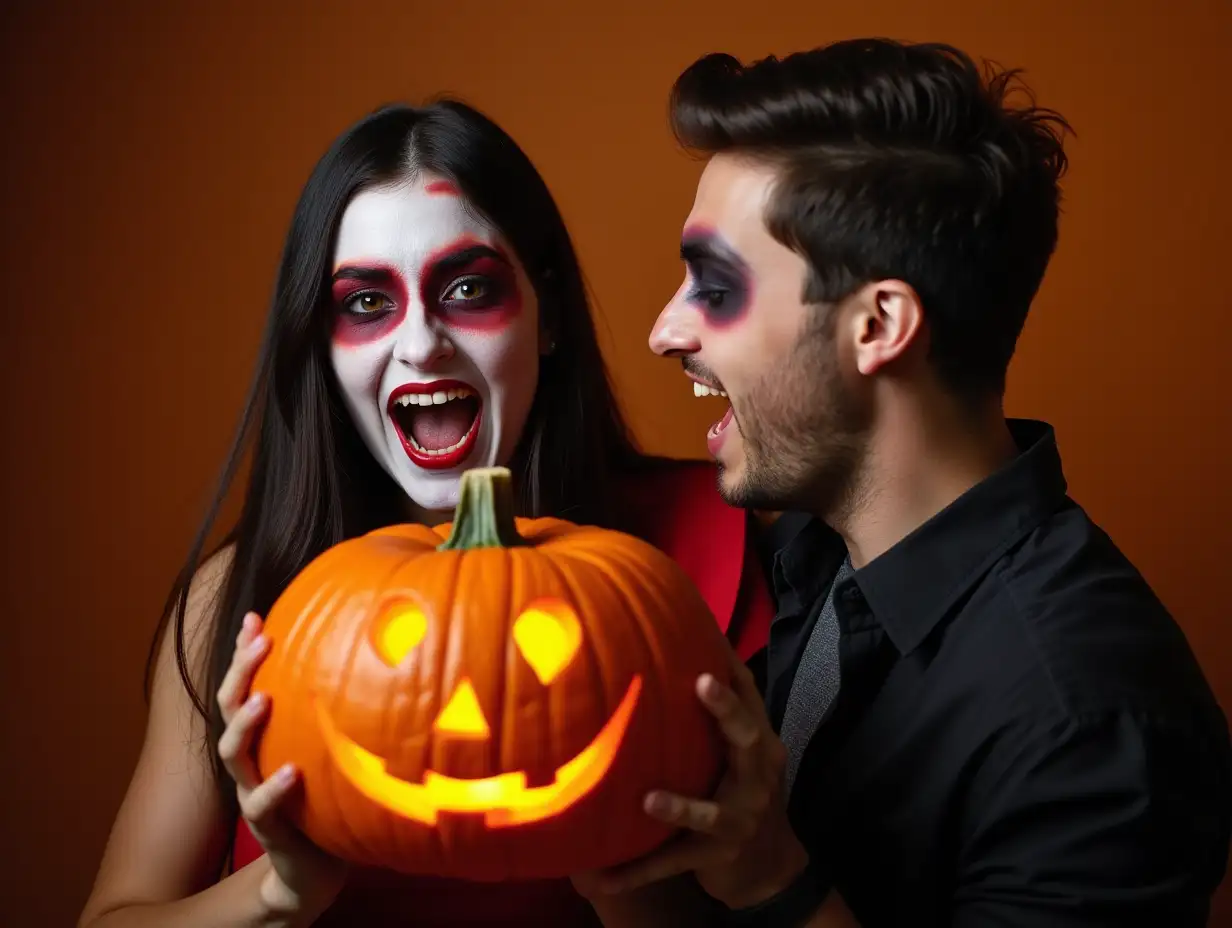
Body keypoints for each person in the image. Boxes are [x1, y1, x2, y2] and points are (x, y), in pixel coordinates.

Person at [575, 38, 1232, 928]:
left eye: (714, 286)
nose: (665, 331)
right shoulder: (806, 552)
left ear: (878, 325)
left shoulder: (1087, 722)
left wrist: (778, 883)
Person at [77, 99, 775, 928]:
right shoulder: (239, 600)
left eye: (469, 288)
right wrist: (280, 893)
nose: (420, 344)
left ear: (546, 315)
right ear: (320, 339)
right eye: (367, 304)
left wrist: (624, 865)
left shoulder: (718, 542)